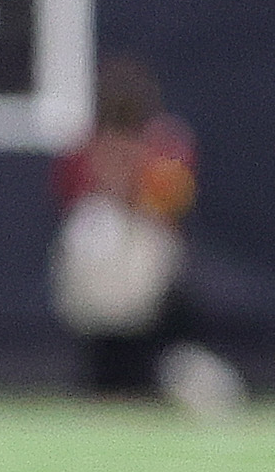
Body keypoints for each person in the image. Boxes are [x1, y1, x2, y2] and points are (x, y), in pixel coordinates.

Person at [49, 54, 244, 412]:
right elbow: (75, 200)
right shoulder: (84, 145)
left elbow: (167, 204)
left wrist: (131, 174)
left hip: (147, 248)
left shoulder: (166, 142)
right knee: (94, 232)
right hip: (101, 260)